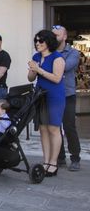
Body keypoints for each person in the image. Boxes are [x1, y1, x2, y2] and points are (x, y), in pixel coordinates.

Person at [28, 29, 65, 177]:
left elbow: (57, 78)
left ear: (48, 42)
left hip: (54, 96)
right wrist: (33, 69)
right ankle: (46, 161)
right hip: (40, 95)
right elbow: (31, 78)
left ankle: (53, 163)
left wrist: (39, 70)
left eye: (40, 41)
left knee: (53, 129)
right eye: (36, 41)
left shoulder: (58, 58)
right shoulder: (36, 56)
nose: (37, 43)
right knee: (43, 129)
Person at [52, 25, 81, 171]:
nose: (54, 38)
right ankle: (60, 157)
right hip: (52, 95)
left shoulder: (73, 53)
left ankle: (75, 158)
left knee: (69, 127)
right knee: (55, 127)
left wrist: (49, 62)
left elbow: (64, 67)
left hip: (67, 95)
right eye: (52, 35)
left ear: (64, 37)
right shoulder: (48, 52)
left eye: (57, 35)